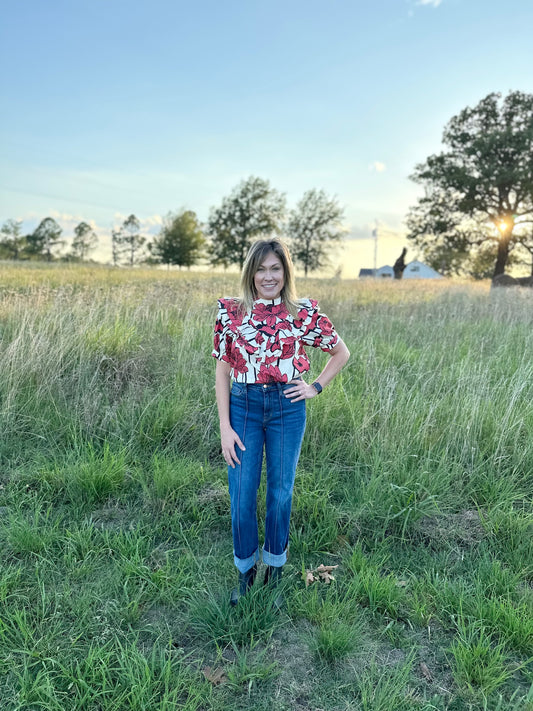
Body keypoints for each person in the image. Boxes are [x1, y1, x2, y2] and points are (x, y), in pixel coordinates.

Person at [212, 239, 350, 606]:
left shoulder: (302, 313)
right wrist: (225, 426)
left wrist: (315, 387)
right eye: (261, 269)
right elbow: (223, 370)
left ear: (286, 272)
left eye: (275, 268)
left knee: (280, 492)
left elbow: (341, 351)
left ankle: (274, 570)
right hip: (243, 408)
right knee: (242, 494)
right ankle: (246, 572)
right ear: (250, 273)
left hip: (287, 407)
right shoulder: (232, 313)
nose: (268, 276)